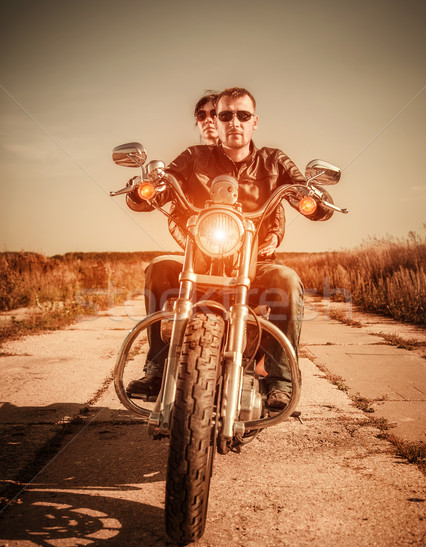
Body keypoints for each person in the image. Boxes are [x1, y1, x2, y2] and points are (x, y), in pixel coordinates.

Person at [126, 87, 333, 408]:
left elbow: (301, 189)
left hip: (256, 263)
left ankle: (281, 380)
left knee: (288, 281)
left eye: (243, 115)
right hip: (200, 261)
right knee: (158, 269)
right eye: (225, 115)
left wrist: (314, 200)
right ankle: (157, 367)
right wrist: (144, 191)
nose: (234, 122)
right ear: (216, 121)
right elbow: (164, 184)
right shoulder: (194, 157)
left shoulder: (273, 161)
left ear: (255, 122)